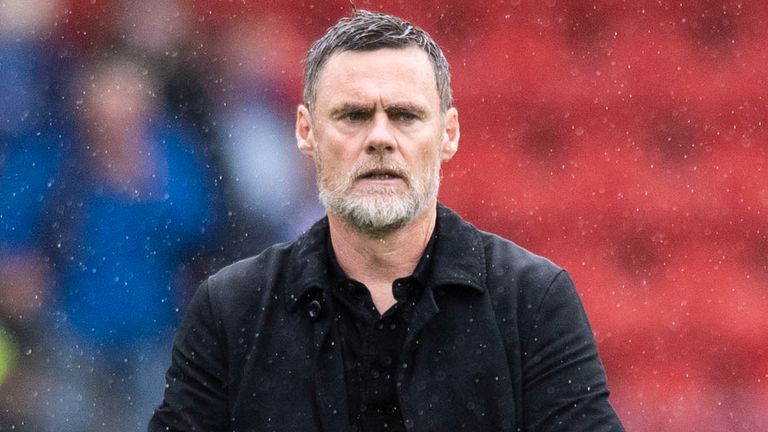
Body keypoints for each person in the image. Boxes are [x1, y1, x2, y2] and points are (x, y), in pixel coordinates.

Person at [149, 10, 625, 432]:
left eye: (404, 115)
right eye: (353, 115)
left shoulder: (533, 302)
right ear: (305, 131)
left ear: (448, 134)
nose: (380, 137)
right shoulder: (231, 311)